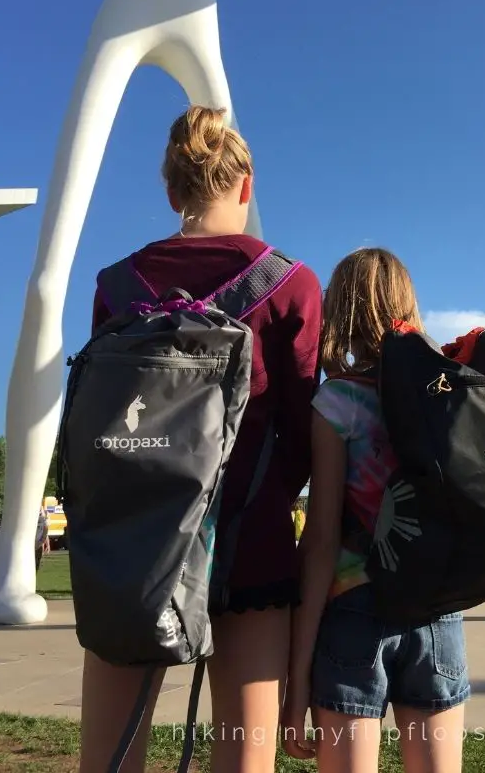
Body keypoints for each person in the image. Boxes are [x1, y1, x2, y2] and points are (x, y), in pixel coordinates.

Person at [78, 107, 322, 773]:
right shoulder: (291, 285)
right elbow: (304, 430)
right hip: (251, 545)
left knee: (109, 756)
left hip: (133, 545)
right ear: (247, 186)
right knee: (243, 757)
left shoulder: (116, 286)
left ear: (171, 193)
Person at [284, 248, 470, 773]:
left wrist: (297, 679)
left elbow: (320, 542)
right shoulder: (448, 392)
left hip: (355, 611)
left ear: (339, 310)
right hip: (439, 613)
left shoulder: (337, 402)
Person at [35, 506, 49, 571]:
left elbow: (45, 535)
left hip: (38, 545)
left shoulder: (44, 521)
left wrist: (40, 543)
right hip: (30, 545)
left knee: (36, 564)